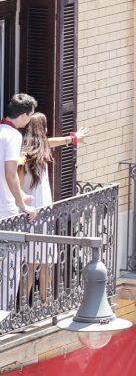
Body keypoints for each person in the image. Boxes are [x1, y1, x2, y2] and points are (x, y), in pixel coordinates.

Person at [18, 113, 90, 301]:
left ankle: (22, 306)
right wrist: (74, 138)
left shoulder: (21, 151)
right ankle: (44, 303)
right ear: (44, 129)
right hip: (42, 212)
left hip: (26, 211)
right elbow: (54, 141)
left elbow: (53, 141)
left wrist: (73, 138)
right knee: (45, 262)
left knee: (29, 263)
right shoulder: (41, 149)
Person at [1, 94, 37, 221]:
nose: (31, 118)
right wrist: (22, 204)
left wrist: (20, 193)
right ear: (23, 115)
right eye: (31, 115)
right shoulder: (13, 136)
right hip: (4, 207)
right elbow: (10, 174)